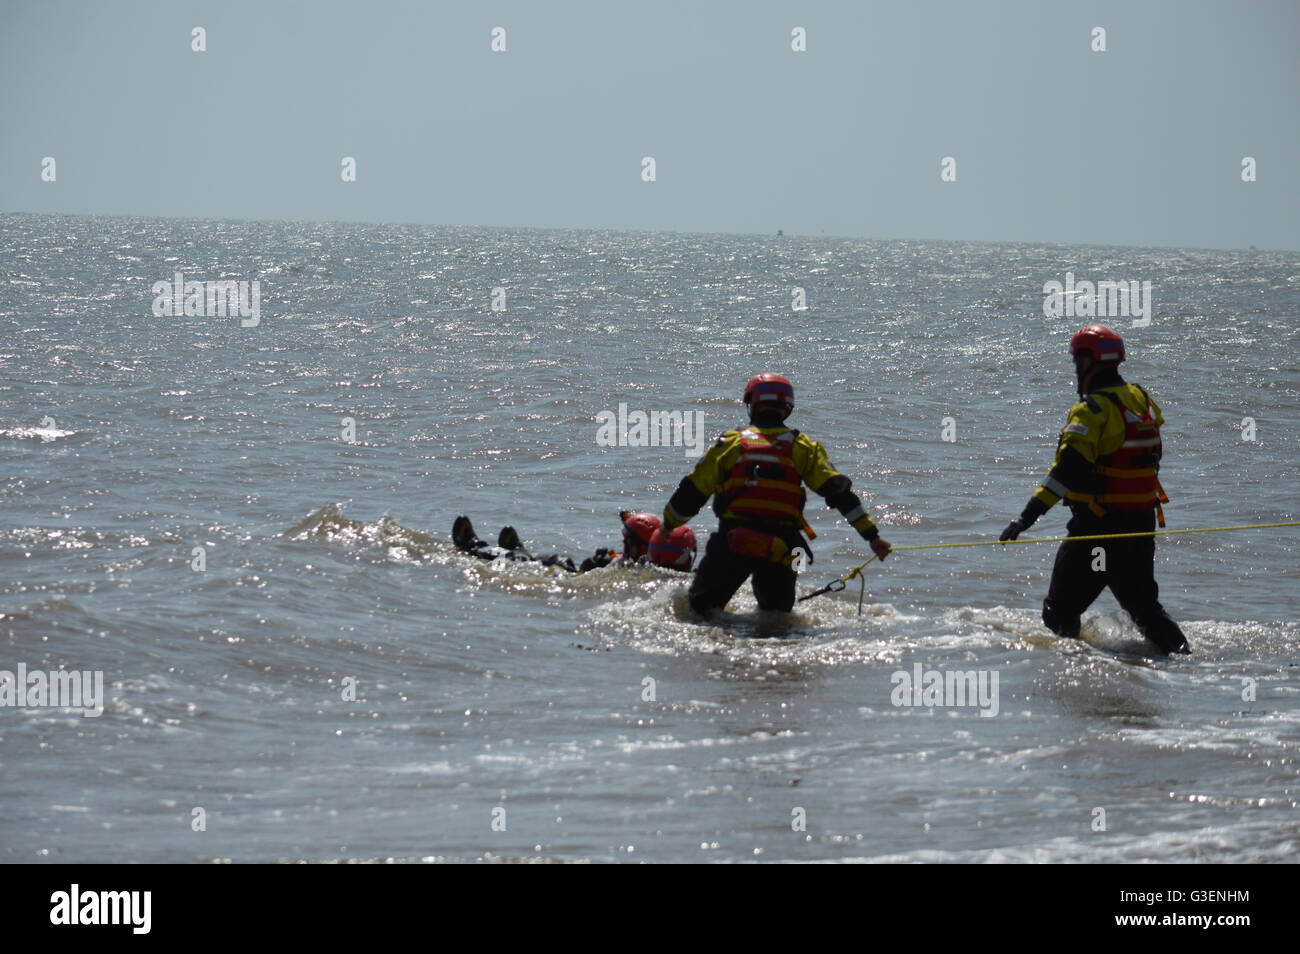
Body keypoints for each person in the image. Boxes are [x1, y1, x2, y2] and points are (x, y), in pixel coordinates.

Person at [999, 324, 1190, 654]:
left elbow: (1065, 473)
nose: (1075, 369)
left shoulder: (1092, 411)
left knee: (1059, 614)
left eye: (1076, 362)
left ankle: (1079, 670)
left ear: (1089, 362)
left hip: (1098, 531)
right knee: (1146, 611)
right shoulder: (1141, 400)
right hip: (1139, 525)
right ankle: (1185, 661)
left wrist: (1025, 519)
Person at [656, 373, 891, 616]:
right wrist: (872, 537)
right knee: (777, 617)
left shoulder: (731, 443)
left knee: (698, 611)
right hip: (786, 546)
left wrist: (668, 525)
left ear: (752, 404)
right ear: (787, 408)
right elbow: (840, 493)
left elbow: (693, 490)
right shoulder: (804, 447)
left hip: (733, 542)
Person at [452, 512, 697, 574]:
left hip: (567, 577)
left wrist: (596, 563)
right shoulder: (682, 573)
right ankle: (518, 551)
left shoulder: (642, 569)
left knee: (558, 562)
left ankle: (476, 547)